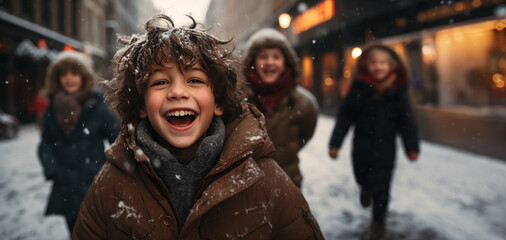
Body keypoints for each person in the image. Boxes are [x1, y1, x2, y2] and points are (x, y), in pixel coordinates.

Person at [72, 14, 324, 239]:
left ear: (218, 102)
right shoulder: (111, 184)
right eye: (160, 82)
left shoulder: (265, 179)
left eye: (194, 80)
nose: (178, 92)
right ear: (140, 105)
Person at [328, 45, 420, 239]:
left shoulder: (398, 93)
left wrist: (411, 147)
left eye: (383, 63)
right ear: (367, 66)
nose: (378, 67)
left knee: (383, 185)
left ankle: (378, 221)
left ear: (392, 66)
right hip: (361, 146)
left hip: (386, 148)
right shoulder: (358, 89)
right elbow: (345, 118)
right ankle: (365, 187)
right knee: (361, 174)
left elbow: (407, 122)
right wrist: (335, 143)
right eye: (374, 63)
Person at [37, 51, 120, 234]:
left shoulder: (98, 106)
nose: (69, 78)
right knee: (74, 231)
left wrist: (115, 171)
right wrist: (53, 170)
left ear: (83, 77)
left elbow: (118, 140)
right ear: (57, 78)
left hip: (93, 182)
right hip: (65, 184)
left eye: (74, 73)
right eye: (64, 74)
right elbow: (45, 143)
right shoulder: (52, 107)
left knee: (97, 231)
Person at [243, 28, 318, 188]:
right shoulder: (239, 100)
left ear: (286, 62)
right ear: (252, 62)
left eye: (276, 57)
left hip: (288, 182)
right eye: (263, 56)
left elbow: (306, 133)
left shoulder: (302, 102)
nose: (270, 62)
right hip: (247, 185)